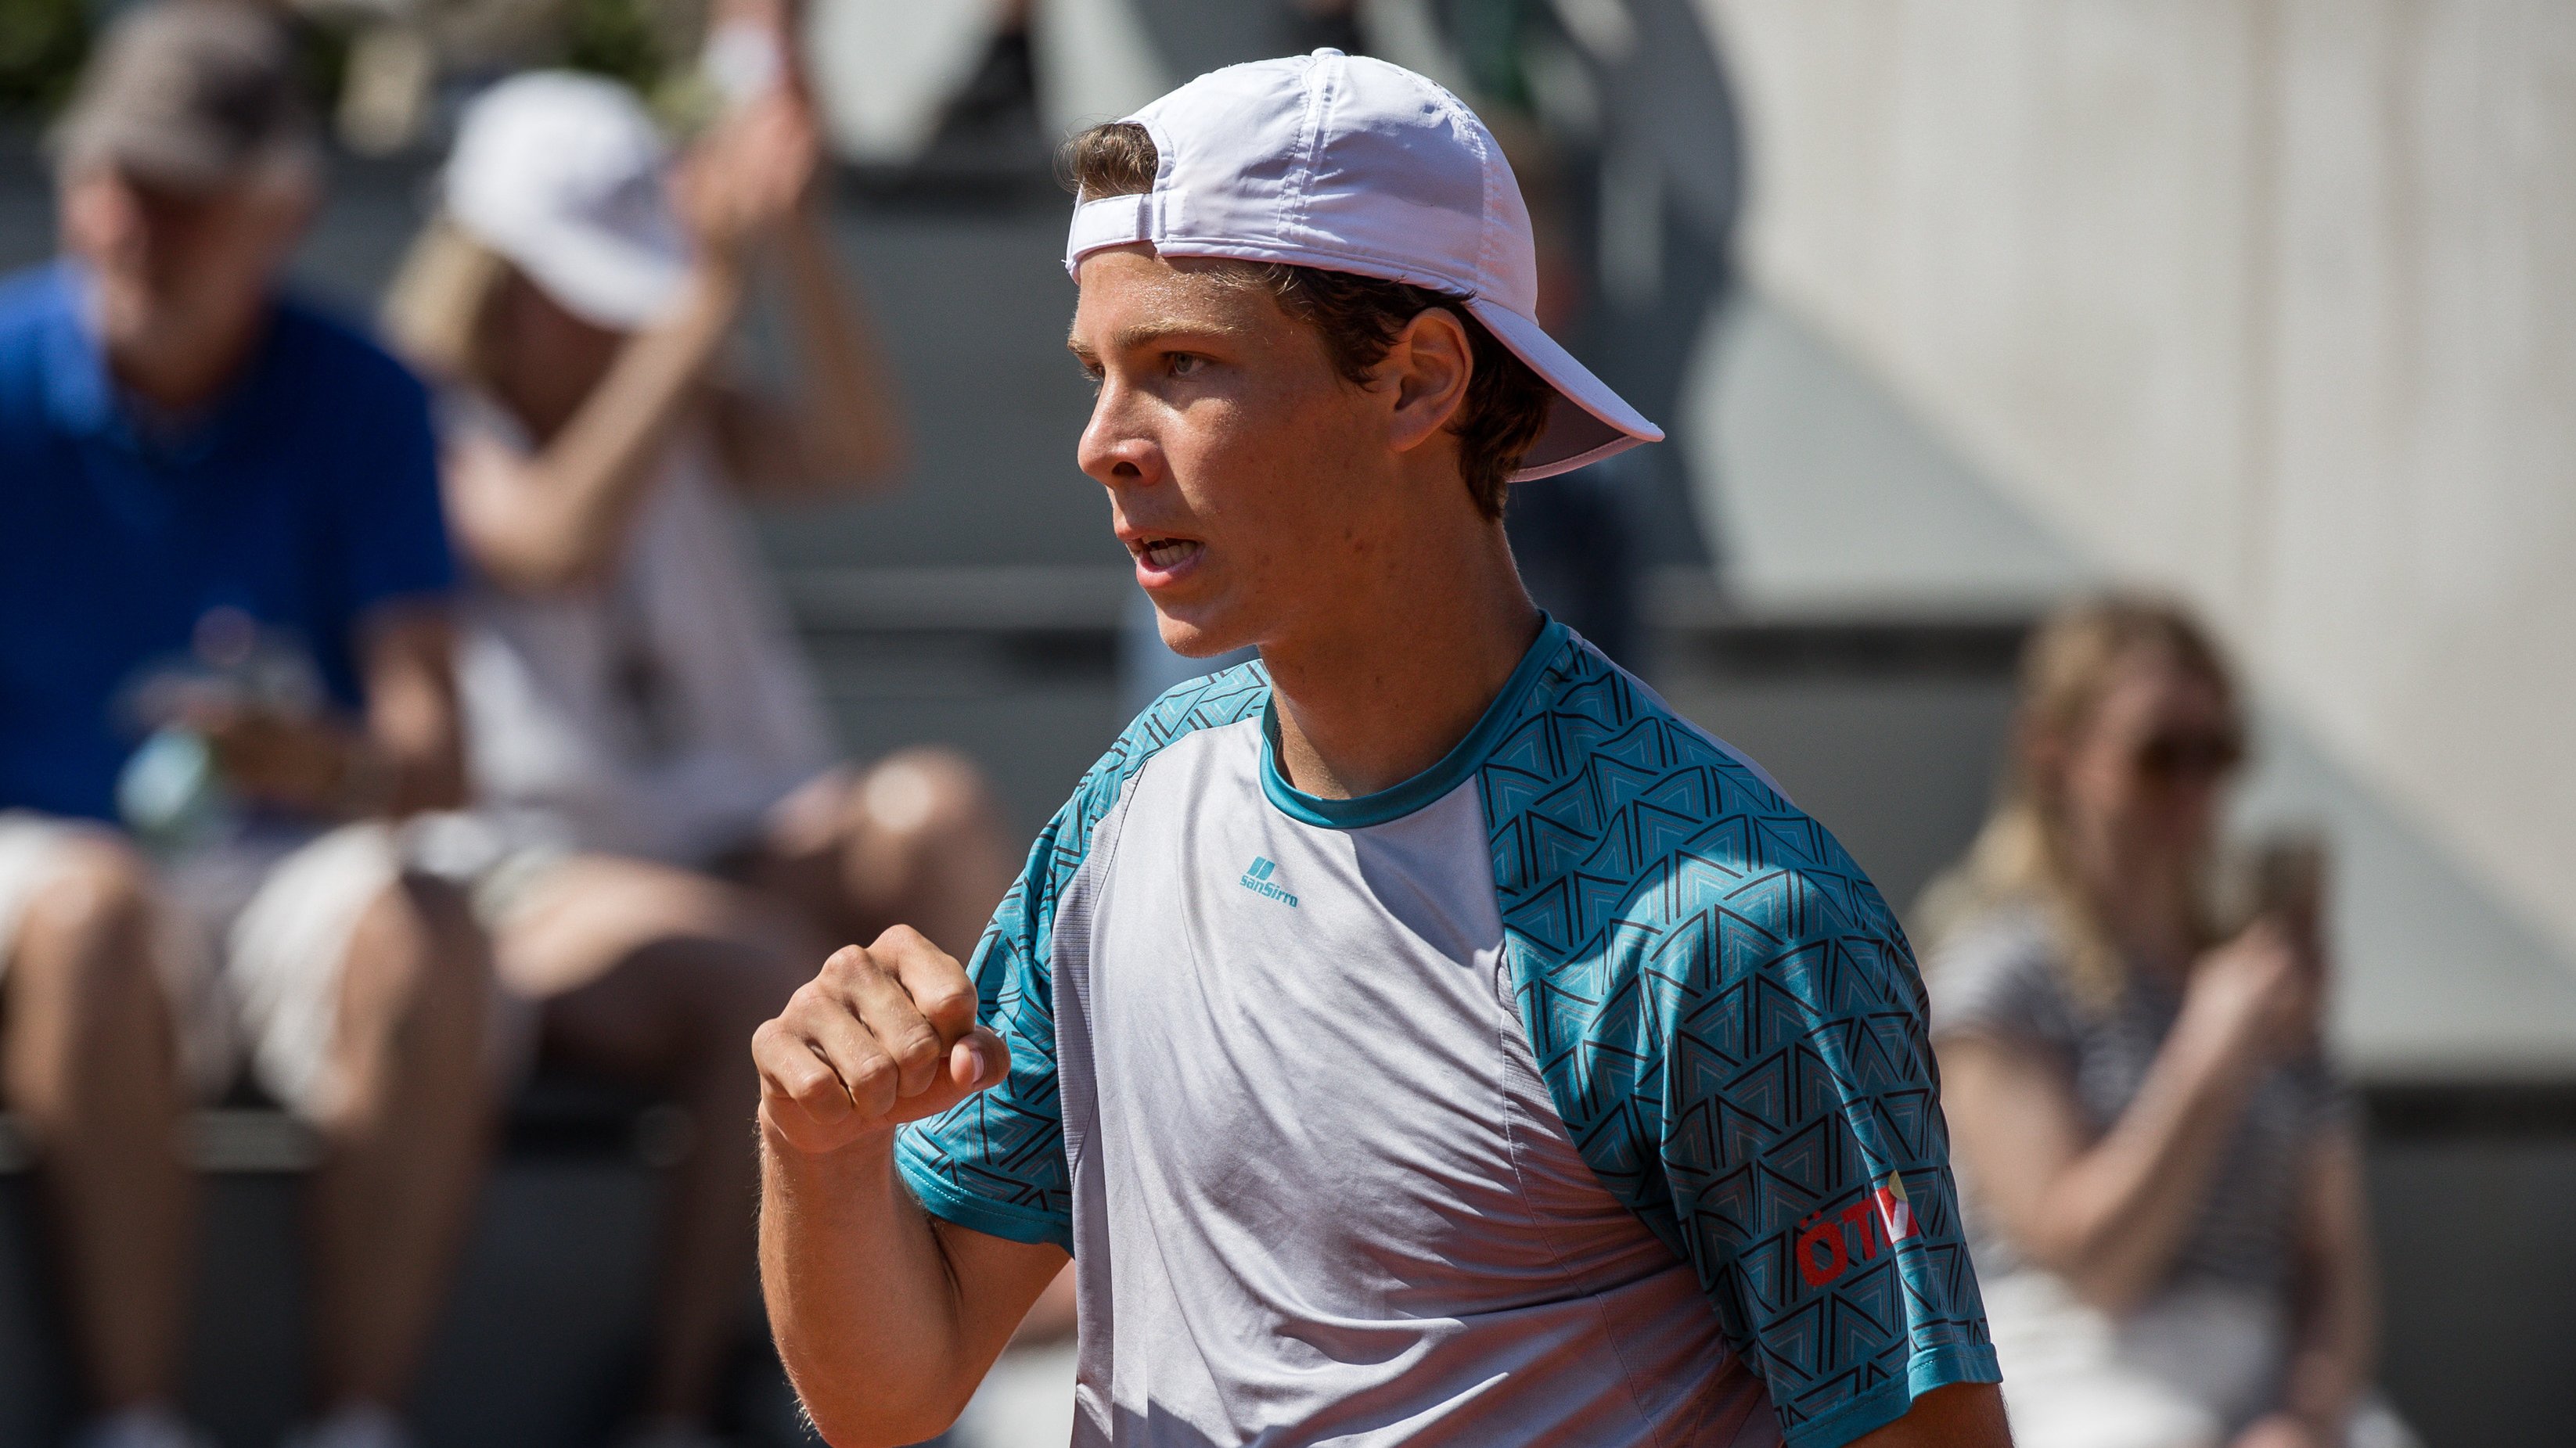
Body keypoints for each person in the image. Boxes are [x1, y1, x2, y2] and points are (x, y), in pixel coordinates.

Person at [754, 51, 2007, 1448]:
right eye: (1099, 374)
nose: (1102, 443)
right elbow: (889, 1388)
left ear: (1417, 383)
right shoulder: (1132, 803)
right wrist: (819, 1149)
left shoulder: (1728, 923)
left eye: (1181, 365)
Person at [376, 61, 1016, 1445]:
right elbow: (550, 542)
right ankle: (684, 1398)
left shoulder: (665, 375)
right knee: (754, 978)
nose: (617, 315)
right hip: (533, 871)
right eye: (581, 289)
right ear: (494, 279)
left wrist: (794, 237)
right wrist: (698, 308)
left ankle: (1001, 1239)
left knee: (935, 811)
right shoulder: (414, 421)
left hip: (728, 831)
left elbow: (856, 448)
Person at [0, 5, 491, 1446]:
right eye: (114, 180)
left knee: (431, 932)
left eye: (182, 193)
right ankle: (133, 1419)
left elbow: (434, 755)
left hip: (278, 860)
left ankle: (361, 1420)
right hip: (46, 857)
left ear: (285, 213)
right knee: (93, 912)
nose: (133, 226)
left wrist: (318, 761)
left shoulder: (366, 393)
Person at [1916, 598, 2416, 1448]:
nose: (2194, 787)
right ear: (2054, 753)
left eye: (2216, 752)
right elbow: (2096, 1264)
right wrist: (2210, 1058)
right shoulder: (1999, 976)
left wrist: (2303, 1417)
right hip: (2076, 1362)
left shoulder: (2257, 974)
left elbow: (2333, 1263)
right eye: (2159, 754)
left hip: (2262, 1368)